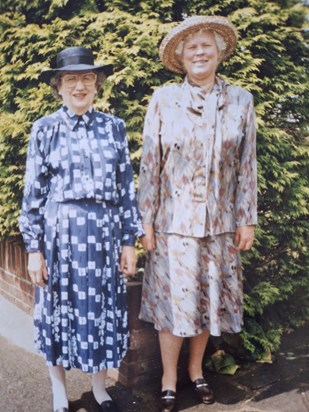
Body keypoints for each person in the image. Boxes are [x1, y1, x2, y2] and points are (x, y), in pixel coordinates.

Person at [137, 15, 257, 412]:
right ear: (182, 58)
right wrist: (146, 221)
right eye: (192, 47)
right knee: (173, 306)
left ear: (219, 52)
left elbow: (246, 165)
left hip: (221, 226)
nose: (200, 52)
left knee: (208, 302)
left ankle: (196, 371)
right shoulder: (163, 99)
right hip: (173, 226)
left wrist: (246, 218)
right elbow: (149, 166)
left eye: (207, 45)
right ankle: (169, 378)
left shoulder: (240, 100)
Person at [19, 46, 143, 412]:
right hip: (60, 236)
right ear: (58, 86)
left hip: (104, 236)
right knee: (57, 310)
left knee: (103, 309)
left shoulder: (114, 127)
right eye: (71, 79)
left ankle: (99, 387)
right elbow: (33, 194)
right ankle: (59, 389)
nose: (80, 86)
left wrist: (129, 242)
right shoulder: (44, 129)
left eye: (87, 78)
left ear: (97, 84)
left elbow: (126, 189)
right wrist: (34, 249)